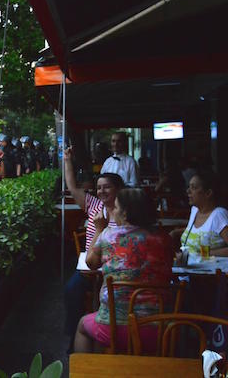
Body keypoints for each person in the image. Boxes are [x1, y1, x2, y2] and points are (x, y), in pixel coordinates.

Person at [74, 188, 173, 353]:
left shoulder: (108, 236)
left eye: (116, 208)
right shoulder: (164, 239)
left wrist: (99, 229)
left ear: (126, 214)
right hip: (160, 328)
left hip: (114, 327)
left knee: (82, 326)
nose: (113, 211)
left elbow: (90, 263)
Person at [63, 146, 124, 352]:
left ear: (118, 190)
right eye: (99, 188)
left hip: (114, 269)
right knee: (72, 290)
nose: (101, 191)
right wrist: (67, 160)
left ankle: (105, 335)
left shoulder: (125, 213)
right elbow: (72, 187)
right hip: (90, 266)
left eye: (107, 187)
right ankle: (74, 338)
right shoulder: (94, 205)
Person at [171, 170, 228, 257]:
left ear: (208, 193)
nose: (188, 191)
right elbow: (201, 232)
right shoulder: (195, 210)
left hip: (207, 268)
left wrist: (203, 254)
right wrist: (175, 232)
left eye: (193, 188)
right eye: (189, 187)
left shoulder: (220, 215)